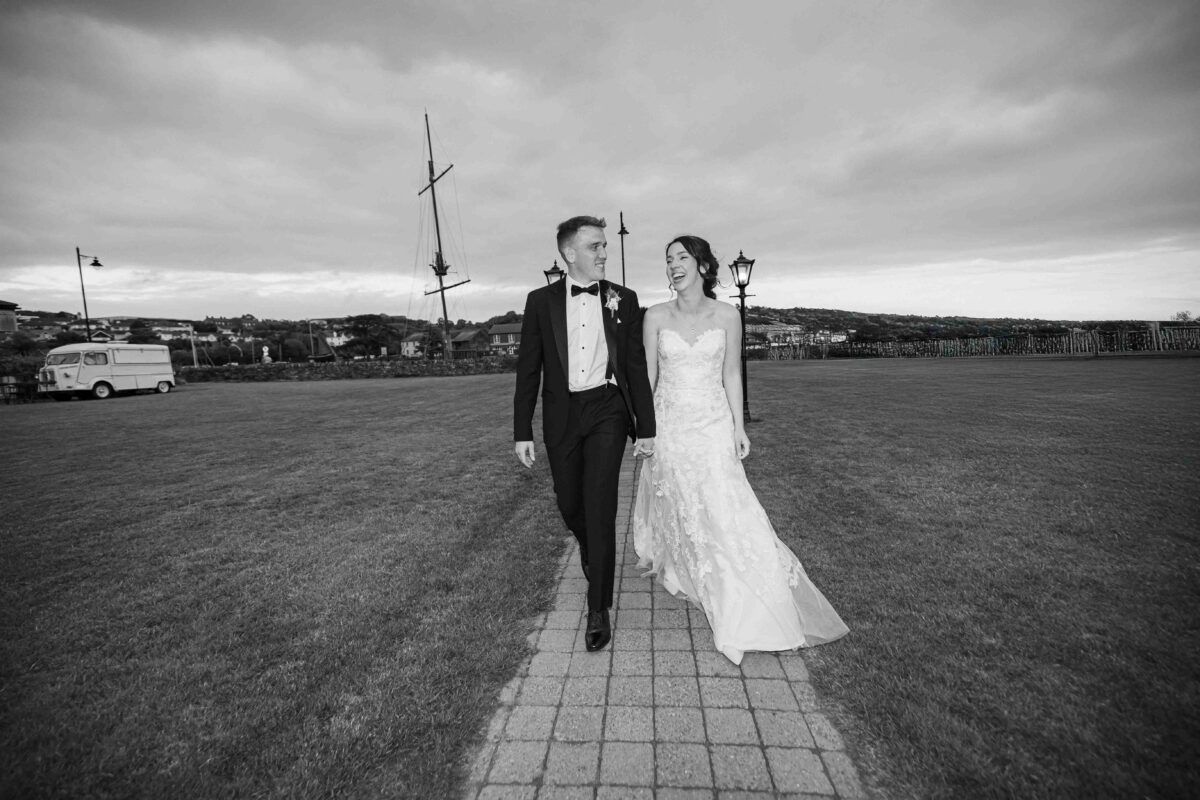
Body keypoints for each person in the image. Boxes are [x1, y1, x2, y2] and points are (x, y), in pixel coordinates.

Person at [632, 234, 848, 664]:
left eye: (682, 257)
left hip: (712, 423)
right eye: (668, 259)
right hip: (671, 424)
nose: (673, 265)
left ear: (703, 266)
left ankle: (742, 594)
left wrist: (738, 426)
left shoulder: (728, 315)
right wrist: (645, 427)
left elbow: (732, 373)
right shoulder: (654, 316)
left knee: (724, 501)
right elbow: (647, 377)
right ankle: (690, 564)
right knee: (685, 502)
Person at [514, 216, 656, 652]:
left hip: (607, 410)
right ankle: (592, 550)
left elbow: (634, 366)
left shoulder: (623, 299)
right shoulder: (540, 302)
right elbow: (528, 370)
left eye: (605, 246)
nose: (604, 253)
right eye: (595, 246)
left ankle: (598, 608)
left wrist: (647, 427)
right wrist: (522, 430)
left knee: (600, 504)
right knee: (569, 502)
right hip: (562, 415)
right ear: (569, 253)